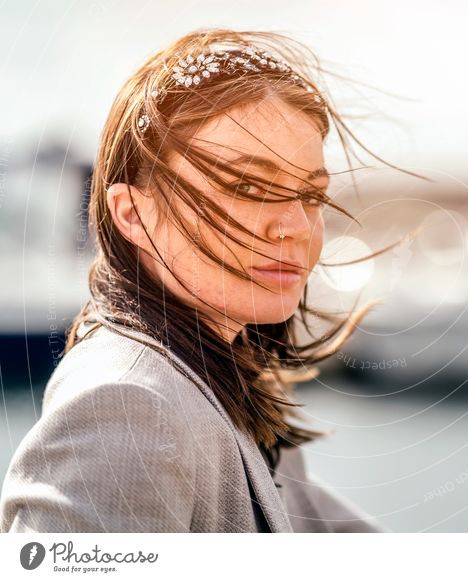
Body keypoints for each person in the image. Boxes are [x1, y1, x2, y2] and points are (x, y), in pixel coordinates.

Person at [0, 28, 419, 533]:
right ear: (132, 213)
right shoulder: (129, 408)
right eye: (246, 185)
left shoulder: (222, 378)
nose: (294, 226)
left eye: (310, 195)